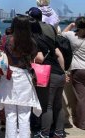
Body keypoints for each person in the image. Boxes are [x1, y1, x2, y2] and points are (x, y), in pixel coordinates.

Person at [0, 15, 42, 138]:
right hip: (24, 77)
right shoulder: (32, 42)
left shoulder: (6, 39)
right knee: (24, 114)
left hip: (9, 76)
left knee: (10, 114)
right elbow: (34, 57)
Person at [28, 8, 66, 138]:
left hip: (48, 74)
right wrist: (64, 71)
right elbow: (59, 54)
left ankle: (44, 134)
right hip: (59, 73)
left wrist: (30, 61)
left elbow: (39, 58)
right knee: (58, 106)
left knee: (46, 106)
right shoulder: (47, 38)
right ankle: (59, 132)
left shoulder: (33, 40)